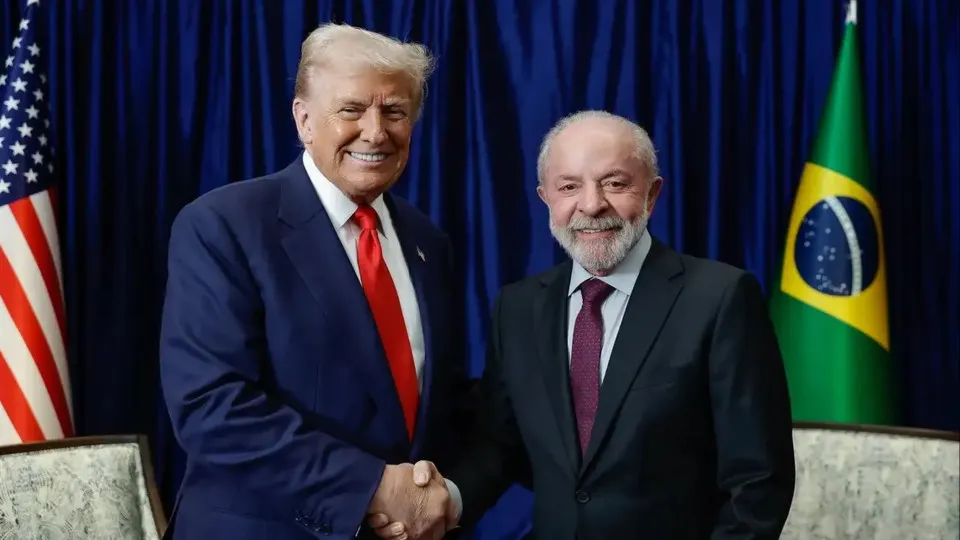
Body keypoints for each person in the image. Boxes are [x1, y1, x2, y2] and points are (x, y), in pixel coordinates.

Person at [372, 110, 797, 539]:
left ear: (652, 194)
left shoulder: (720, 298)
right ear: (546, 198)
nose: (592, 205)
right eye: (569, 187)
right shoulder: (518, 309)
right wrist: (444, 501)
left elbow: (758, 482)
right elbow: (499, 447)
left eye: (614, 183)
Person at [159, 23, 469, 540]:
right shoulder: (224, 224)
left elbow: (441, 404)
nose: (375, 132)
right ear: (303, 119)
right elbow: (211, 405)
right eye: (351, 110)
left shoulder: (426, 242)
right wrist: (371, 488)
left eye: (395, 112)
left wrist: (437, 495)